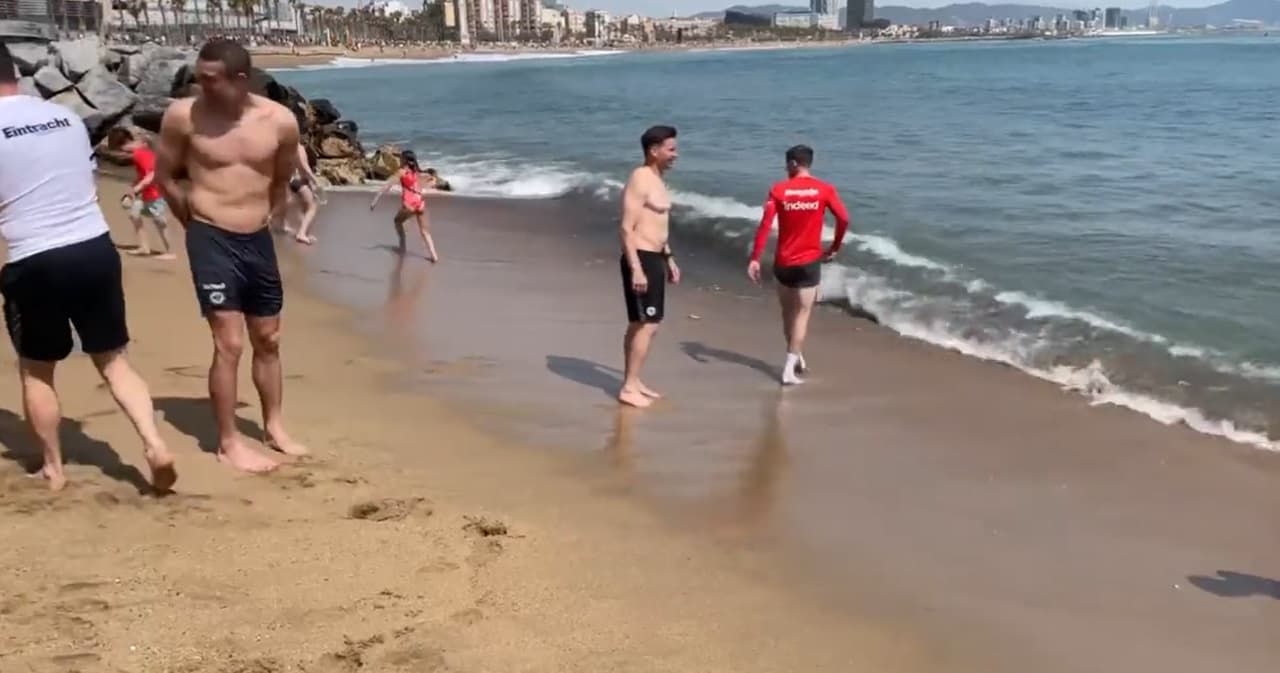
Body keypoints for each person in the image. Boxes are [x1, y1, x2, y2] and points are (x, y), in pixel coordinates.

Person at [0, 43, 176, 492]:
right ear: (16, 73)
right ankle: (155, 444)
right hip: (93, 247)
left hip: (34, 257)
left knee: (37, 369)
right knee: (114, 360)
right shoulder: (67, 119)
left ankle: (55, 469)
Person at [154, 38, 306, 473]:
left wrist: (268, 220)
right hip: (209, 235)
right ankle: (228, 442)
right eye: (198, 77)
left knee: (268, 339)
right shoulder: (184, 116)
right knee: (230, 342)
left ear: (241, 79)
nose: (200, 85)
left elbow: (280, 180)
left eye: (210, 79)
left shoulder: (279, 121)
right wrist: (193, 225)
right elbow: (165, 177)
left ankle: (274, 426)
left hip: (256, 237)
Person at [747, 144, 850, 385]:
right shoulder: (824, 190)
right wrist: (834, 247)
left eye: (787, 164)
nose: (785, 169)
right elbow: (844, 218)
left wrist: (754, 257)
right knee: (802, 315)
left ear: (794, 163)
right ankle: (788, 369)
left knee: (787, 313)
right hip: (808, 263)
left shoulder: (779, 190)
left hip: (783, 262)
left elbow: (765, 225)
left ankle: (796, 357)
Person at [617, 125, 680, 408]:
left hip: (654, 257)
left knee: (641, 324)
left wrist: (669, 258)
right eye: (671, 149)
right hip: (640, 257)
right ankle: (629, 386)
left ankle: (634, 379)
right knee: (648, 324)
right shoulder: (640, 178)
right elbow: (627, 229)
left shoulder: (657, 179)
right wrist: (637, 268)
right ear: (654, 151)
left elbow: (657, 225)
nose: (675, 154)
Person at [107, 127, 175, 260]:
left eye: (120, 150)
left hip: (157, 193)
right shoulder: (141, 150)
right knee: (134, 214)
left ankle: (171, 252)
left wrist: (136, 189)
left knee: (160, 222)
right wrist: (133, 188)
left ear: (123, 145)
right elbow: (144, 174)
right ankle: (144, 247)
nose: (121, 154)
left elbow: (152, 174)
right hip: (147, 192)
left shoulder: (139, 154)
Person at [370, 150, 439, 261]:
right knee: (425, 232)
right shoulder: (416, 171)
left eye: (401, 158)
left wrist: (375, 200)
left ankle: (402, 249)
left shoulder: (402, 172)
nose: (399, 160)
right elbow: (431, 179)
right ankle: (434, 256)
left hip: (409, 205)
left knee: (397, 221)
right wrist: (433, 179)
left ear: (405, 160)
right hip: (420, 203)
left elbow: (387, 186)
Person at [283, 140, 320, 244]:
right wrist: (314, 179)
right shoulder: (299, 147)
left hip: (290, 180)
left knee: (302, 207)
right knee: (312, 206)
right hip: (298, 181)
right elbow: (303, 166)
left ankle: (304, 232)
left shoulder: (287, 147)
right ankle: (302, 233)